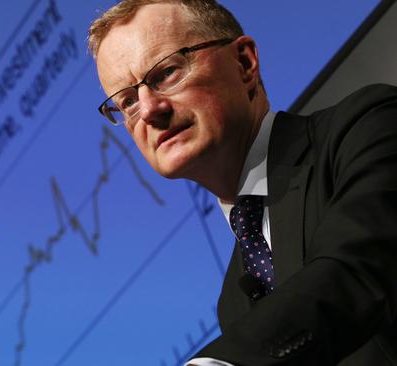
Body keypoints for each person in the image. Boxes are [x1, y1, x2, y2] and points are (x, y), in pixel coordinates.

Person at [88, 1, 397, 365]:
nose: (150, 110)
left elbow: (358, 270)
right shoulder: (234, 301)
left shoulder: (367, 127)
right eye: (127, 102)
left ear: (245, 63)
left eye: (166, 73)